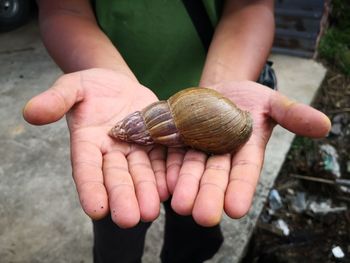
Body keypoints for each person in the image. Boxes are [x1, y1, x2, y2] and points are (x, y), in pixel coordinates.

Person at [23, 0, 331, 262]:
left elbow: (250, 5)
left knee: (194, 226)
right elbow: (63, 9)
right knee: (120, 225)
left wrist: (225, 88)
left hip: (205, 92)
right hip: (125, 107)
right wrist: (105, 73)